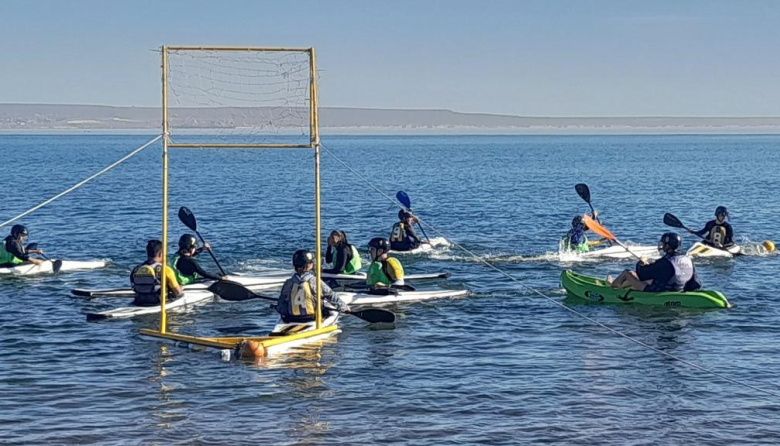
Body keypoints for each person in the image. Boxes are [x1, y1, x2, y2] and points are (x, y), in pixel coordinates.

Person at [609, 232, 701, 292]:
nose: (662, 246)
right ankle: (621, 285)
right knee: (650, 280)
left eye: (664, 244)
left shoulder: (665, 262)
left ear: (668, 246)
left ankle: (612, 288)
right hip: (679, 289)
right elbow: (696, 283)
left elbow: (642, 274)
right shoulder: (688, 259)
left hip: (660, 291)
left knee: (627, 273)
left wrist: (641, 262)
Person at [276, 249, 349, 323]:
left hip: (292, 318)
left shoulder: (288, 283)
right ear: (308, 265)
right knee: (327, 305)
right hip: (312, 317)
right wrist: (344, 307)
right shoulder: (315, 281)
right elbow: (331, 295)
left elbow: (281, 305)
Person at [130, 239, 184, 306]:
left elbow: (133, 287)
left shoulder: (136, 269)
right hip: (158, 303)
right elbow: (178, 293)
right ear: (161, 254)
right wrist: (180, 288)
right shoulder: (166, 269)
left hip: (139, 302)